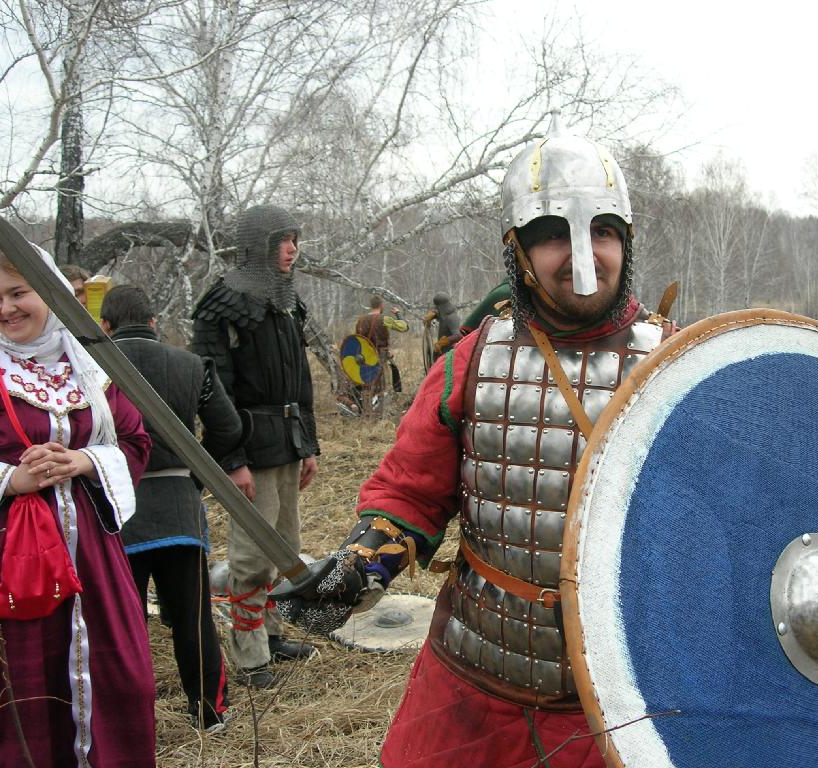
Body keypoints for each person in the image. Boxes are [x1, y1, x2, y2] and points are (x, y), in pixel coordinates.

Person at [278, 117, 673, 766]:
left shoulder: (678, 364)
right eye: (553, 233)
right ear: (518, 250)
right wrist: (359, 565)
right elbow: (410, 491)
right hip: (477, 680)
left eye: (602, 230)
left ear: (626, 242)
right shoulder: (472, 360)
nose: (583, 253)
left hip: (623, 696)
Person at [0, 249, 155, 765]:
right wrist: (11, 479)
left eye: (18, 293)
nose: (5, 309)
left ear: (53, 295)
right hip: (10, 554)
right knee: (26, 689)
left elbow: (134, 441)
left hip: (94, 552)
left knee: (123, 678)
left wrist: (85, 461)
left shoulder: (94, 368)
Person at [191, 204, 320, 689]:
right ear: (257, 246)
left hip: (287, 441)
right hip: (248, 444)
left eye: (294, 239)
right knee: (250, 556)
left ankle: (270, 632)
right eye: (282, 240)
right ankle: (249, 654)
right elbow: (213, 389)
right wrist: (232, 459)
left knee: (285, 545)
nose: (292, 249)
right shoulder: (222, 305)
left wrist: (308, 445)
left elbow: (300, 383)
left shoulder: (286, 302)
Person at [101, 284, 241, 732]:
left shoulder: (90, 367)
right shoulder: (191, 365)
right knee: (192, 619)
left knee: (121, 625)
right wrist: (193, 475)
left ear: (105, 325)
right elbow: (228, 428)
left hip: (113, 513)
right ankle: (210, 712)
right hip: (179, 509)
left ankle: (127, 723)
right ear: (154, 322)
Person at [355, 295, 408, 394]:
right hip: (380, 356)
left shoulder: (360, 320)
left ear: (371, 306)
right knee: (381, 386)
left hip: (363, 358)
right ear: (381, 306)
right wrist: (398, 314)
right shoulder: (383, 319)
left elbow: (356, 340)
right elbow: (404, 327)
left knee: (367, 383)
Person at [422, 292, 461, 362]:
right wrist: (432, 315)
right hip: (442, 353)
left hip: (450, 355)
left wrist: (442, 342)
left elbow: (458, 336)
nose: (437, 309)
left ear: (441, 307)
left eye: (438, 307)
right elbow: (439, 315)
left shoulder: (452, 317)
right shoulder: (444, 315)